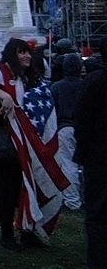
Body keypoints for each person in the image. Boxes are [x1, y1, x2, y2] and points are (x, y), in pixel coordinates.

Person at [0, 38, 67, 251]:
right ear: (11, 54)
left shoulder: (29, 77)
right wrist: (3, 93)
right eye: (21, 52)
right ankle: (7, 235)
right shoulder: (0, 72)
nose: (26, 56)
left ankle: (27, 231)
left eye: (28, 52)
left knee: (28, 189)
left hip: (30, 145)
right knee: (8, 191)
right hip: (7, 145)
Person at [74, 35, 107, 269]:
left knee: (96, 215)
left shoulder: (94, 81)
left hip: (98, 157)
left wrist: (83, 151)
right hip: (97, 155)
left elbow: (82, 120)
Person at [51, 52, 84, 211]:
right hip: (85, 128)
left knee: (68, 164)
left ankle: (72, 200)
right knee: (88, 165)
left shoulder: (57, 87)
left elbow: (53, 111)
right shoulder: (86, 85)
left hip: (65, 127)